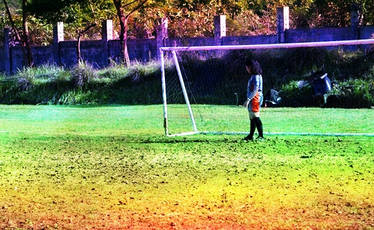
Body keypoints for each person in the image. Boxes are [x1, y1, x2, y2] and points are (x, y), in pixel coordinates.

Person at [244, 59, 264, 141]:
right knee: (252, 117)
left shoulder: (256, 76)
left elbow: (256, 89)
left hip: (255, 98)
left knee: (256, 116)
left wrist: (248, 99)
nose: (247, 69)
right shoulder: (254, 76)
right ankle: (251, 135)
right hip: (253, 98)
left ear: (251, 67)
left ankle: (261, 136)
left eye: (247, 67)